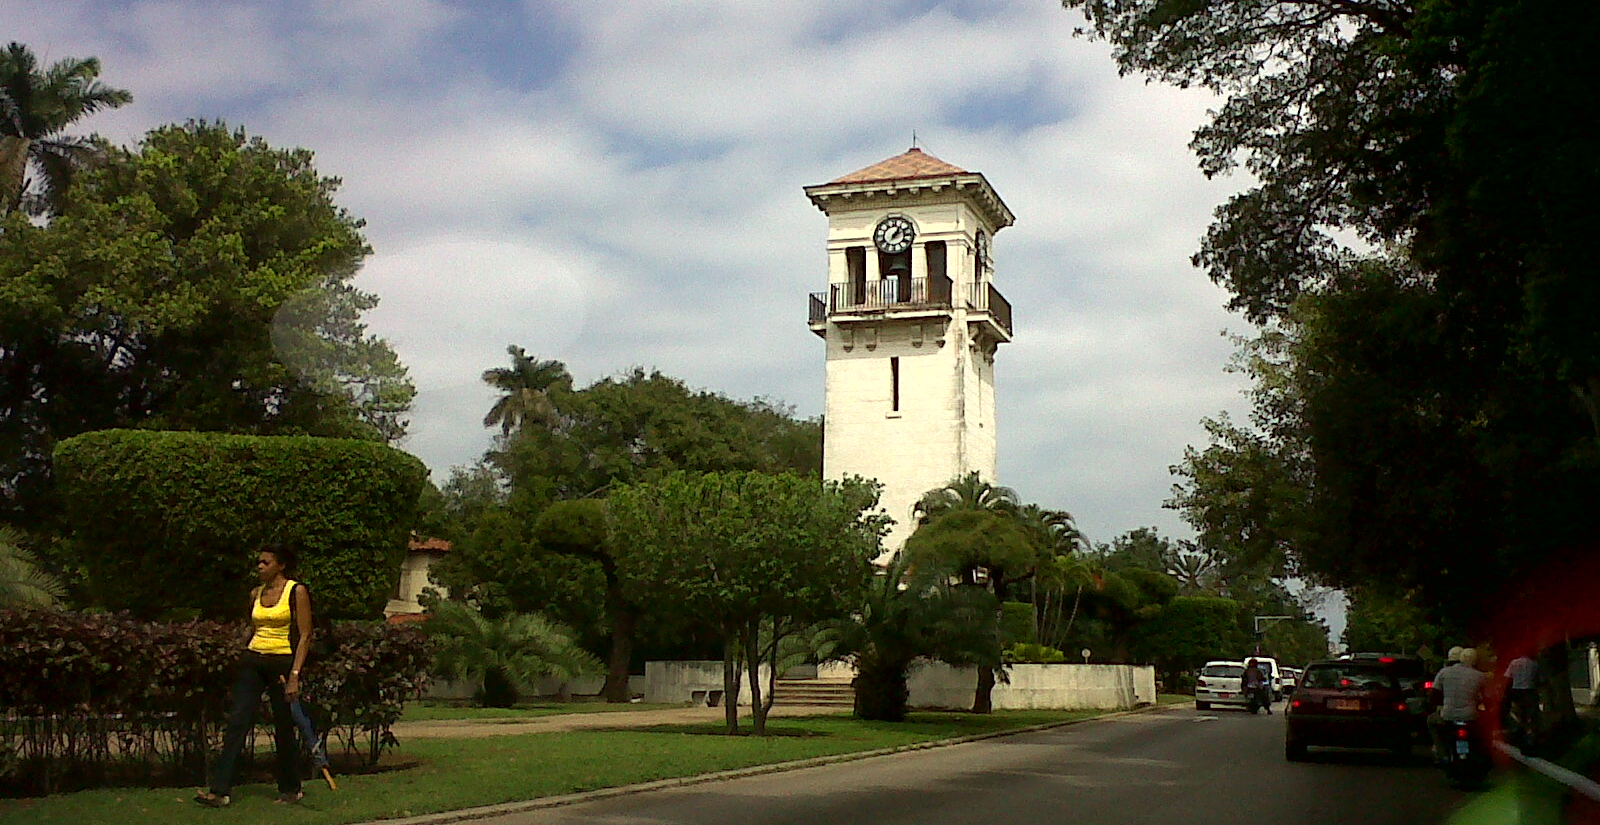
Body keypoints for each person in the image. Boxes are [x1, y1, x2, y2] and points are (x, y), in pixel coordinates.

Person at [195, 544, 314, 808]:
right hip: (254, 660)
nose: (260, 567)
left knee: (283, 727)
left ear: (280, 565)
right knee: (238, 721)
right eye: (258, 563)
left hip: (282, 661)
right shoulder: (255, 593)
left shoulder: (296, 591)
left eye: (265, 562)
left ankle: (290, 789)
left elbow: (305, 634)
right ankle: (219, 790)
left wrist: (294, 675)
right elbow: (253, 627)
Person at [1429, 646, 1487, 763]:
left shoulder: (1444, 672)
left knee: (1431, 721)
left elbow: (1433, 694)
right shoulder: (1479, 676)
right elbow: (1485, 696)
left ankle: (1442, 754)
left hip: (1447, 715)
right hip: (1470, 716)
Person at [1502, 652, 1543, 746]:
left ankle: (1519, 733)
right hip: (1530, 691)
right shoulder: (1534, 664)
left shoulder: (1514, 663)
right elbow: (1540, 680)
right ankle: (1531, 736)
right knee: (1531, 715)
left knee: (1519, 713)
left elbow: (1508, 677)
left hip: (1517, 692)